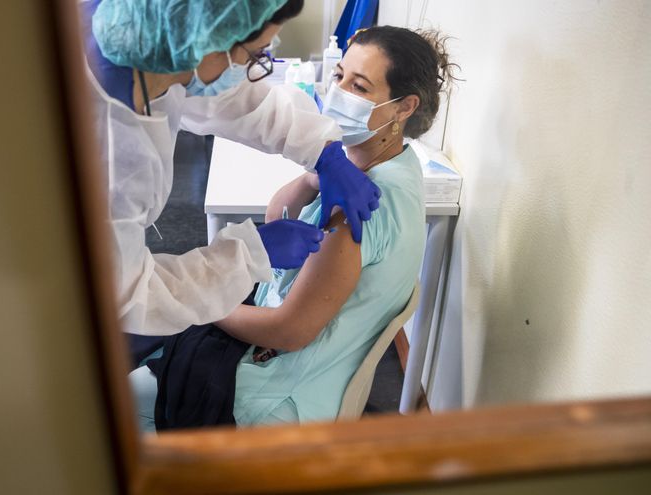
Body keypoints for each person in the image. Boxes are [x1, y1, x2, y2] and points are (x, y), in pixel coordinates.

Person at [132, 25, 459, 429]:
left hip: (276, 392)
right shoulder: (394, 165)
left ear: (403, 107)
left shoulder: (359, 211)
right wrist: (312, 176)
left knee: (117, 401)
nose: (338, 93)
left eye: (359, 86)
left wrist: (205, 302)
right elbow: (277, 215)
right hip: (298, 362)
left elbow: (288, 330)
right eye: (339, 75)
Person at [83, 0, 384, 337]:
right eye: (254, 54)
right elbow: (126, 297)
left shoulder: (140, 32)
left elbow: (233, 100)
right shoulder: (110, 152)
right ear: (206, 39)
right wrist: (247, 255)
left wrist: (324, 150)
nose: (247, 68)